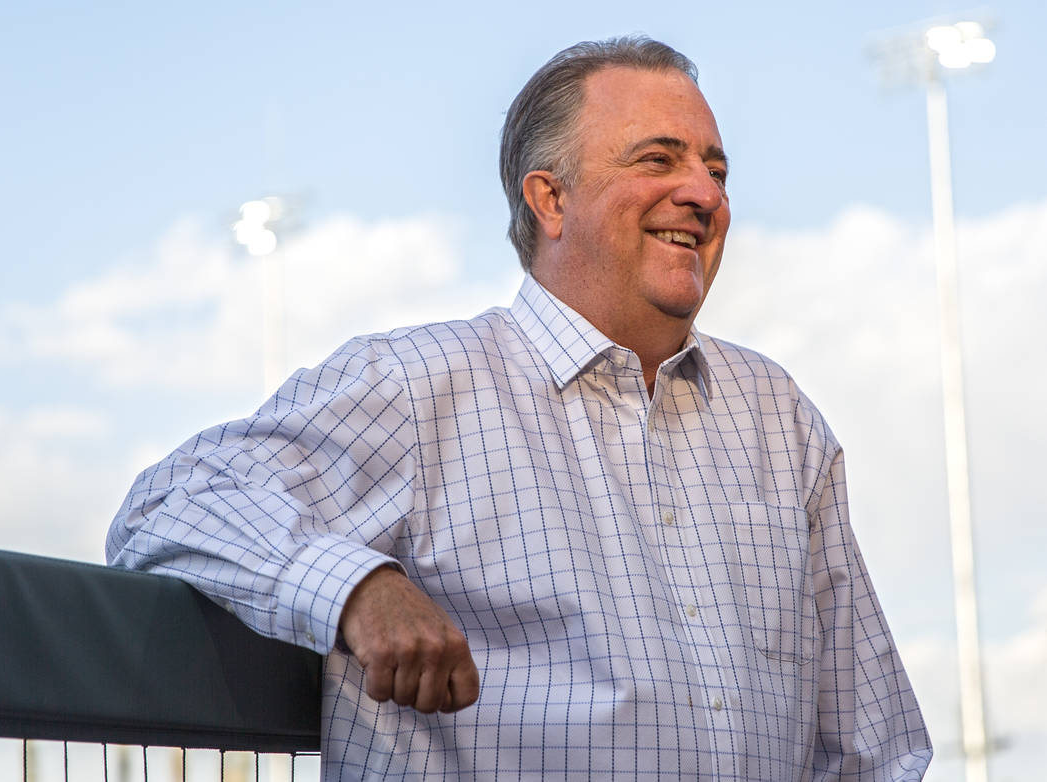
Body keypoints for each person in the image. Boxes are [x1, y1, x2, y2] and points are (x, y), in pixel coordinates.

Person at [108, 36, 932, 780]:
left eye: (716, 170)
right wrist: (357, 587)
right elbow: (165, 505)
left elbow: (870, 749)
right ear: (551, 199)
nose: (703, 194)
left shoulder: (779, 420)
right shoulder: (419, 384)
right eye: (659, 159)